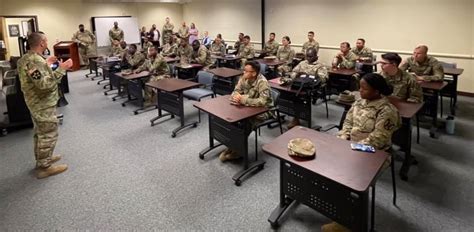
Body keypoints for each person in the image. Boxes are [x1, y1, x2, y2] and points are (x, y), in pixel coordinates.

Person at [323, 73, 400, 232]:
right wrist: (343, 138)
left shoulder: (387, 110)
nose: (360, 90)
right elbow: (347, 124)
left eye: (364, 88)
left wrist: (353, 147)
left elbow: (378, 139)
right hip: (350, 146)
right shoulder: (359, 102)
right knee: (324, 166)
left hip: (375, 153)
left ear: (376, 91)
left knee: (347, 178)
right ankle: (333, 204)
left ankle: (347, 222)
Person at [17, 32, 73, 179]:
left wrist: (48, 64)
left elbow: (38, 77)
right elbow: (44, 85)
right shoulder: (36, 61)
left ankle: (42, 159)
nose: (47, 42)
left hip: (35, 102)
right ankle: (44, 167)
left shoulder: (26, 58)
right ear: (42, 43)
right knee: (48, 134)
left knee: (40, 133)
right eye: (46, 40)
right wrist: (63, 68)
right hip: (42, 103)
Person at [219, 61, 274, 161]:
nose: (243, 73)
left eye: (246, 71)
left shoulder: (262, 82)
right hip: (248, 107)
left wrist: (243, 100)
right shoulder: (243, 78)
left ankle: (238, 151)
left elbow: (263, 101)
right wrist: (236, 97)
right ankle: (232, 145)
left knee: (246, 122)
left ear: (254, 73)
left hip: (264, 111)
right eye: (244, 70)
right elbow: (236, 91)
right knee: (232, 118)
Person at [286, 47, 328, 129]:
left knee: (298, 97)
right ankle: (295, 115)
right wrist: (297, 75)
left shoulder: (320, 66)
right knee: (287, 93)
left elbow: (323, 78)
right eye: (307, 56)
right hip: (300, 85)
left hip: (312, 88)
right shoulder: (302, 63)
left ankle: (296, 118)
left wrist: (309, 77)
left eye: (311, 56)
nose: (308, 58)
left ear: (316, 56)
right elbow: (293, 72)